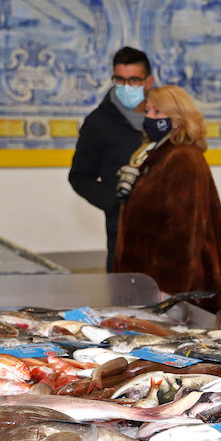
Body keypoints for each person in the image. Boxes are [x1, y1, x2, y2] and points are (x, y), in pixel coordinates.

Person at [112, 86, 221, 317]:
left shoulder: (184, 158)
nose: (149, 117)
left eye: (157, 112)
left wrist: (167, 294)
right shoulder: (156, 153)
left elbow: (184, 233)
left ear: (177, 119)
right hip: (147, 280)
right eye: (148, 111)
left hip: (175, 289)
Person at [69, 47, 153, 272]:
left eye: (134, 80)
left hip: (166, 221)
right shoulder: (98, 122)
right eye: (120, 79)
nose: (127, 86)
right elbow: (79, 176)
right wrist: (116, 204)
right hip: (123, 227)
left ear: (149, 81)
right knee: (123, 291)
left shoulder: (162, 115)